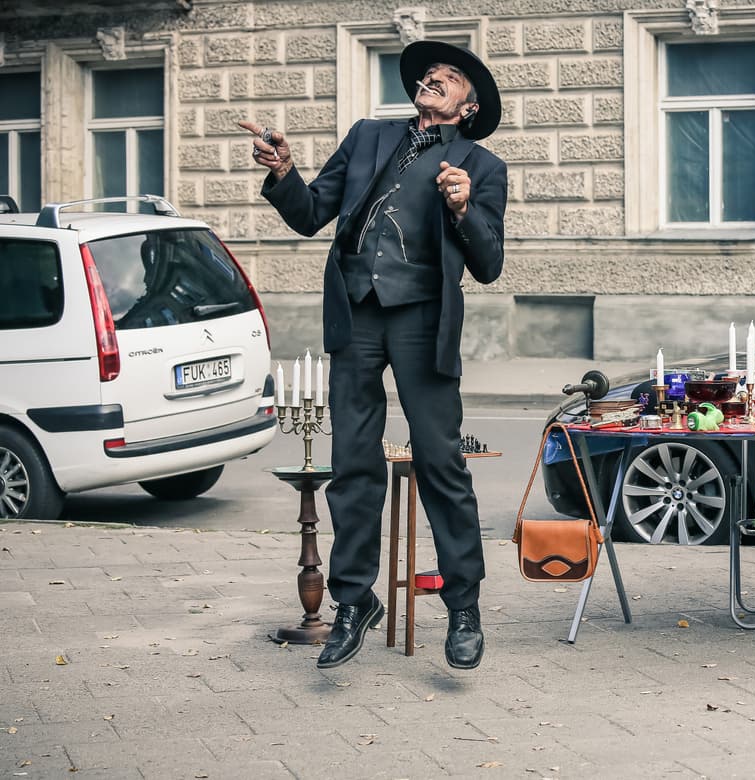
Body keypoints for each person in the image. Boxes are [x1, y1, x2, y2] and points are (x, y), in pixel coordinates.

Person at [239, 40, 506, 670]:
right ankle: (354, 601)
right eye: (430, 74)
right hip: (357, 314)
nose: (435, 78)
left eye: (451, 78)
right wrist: (283, 172)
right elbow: (310, 215)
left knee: (441, 462)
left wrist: (463, 209)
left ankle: (463, 605)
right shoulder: (367, 137)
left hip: (421, 319)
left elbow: (489, 265)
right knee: (353, 464)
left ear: (468, 108)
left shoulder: (482, 167)